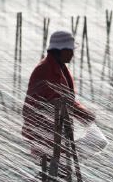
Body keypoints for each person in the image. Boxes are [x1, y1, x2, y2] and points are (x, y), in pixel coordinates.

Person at [21, 30, 96, 162]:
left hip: (54, 131)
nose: (73, 53)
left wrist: (84, 114)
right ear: (61, 50)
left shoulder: (58, 67)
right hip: (45, 132)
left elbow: (65, 100)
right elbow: (59, 101)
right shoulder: (46, 70)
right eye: (70, 50)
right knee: (55, 169)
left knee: (56, 171)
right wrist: (84, 115)